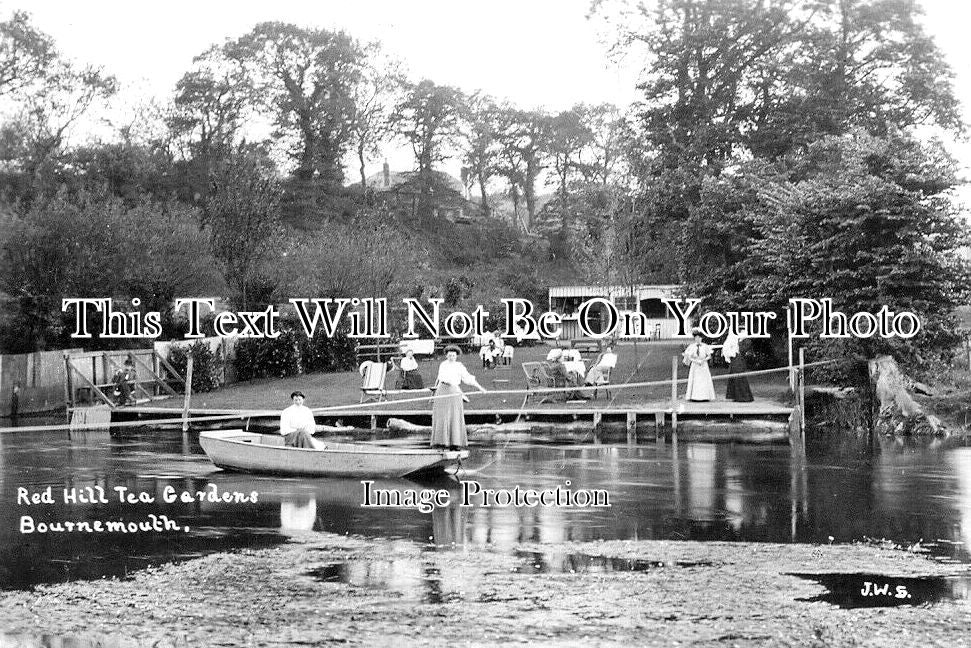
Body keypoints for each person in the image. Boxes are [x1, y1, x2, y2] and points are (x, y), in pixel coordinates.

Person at [431, 345, 486, 449]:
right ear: (446, 356)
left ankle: (455, 443)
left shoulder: (459, 366)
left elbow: (468, 378)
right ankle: (440, 442)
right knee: (442, 416)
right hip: (443, 391)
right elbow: (442, 378)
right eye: (449, 355)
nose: (451, 357)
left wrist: (480, 388)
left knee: (455, 416)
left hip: (454, 392)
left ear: (456, 356)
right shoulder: (443, 365)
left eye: (453, 355)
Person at [682, 329, 715, 402]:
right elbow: (689, 357)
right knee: (696, 380)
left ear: (701, 338)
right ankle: (694, 396)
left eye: (699, 338)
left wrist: (703, 360)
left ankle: (705, 396)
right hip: (695, 365)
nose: (698, 339)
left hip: (703, 365)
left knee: (703, 380)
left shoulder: (705, 346)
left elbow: (709, 356)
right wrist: (696, 361)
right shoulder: (692, 346)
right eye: (696, 338)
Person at [723, 327, 754, 402]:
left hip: (740, 361)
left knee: (739, 377)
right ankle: (733, 396)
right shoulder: (737, 340)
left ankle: (743, 397)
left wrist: (738, 343)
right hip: (735, 360)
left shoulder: (747, 341)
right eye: (741, 332)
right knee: (733, 376)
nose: (741, 333)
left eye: (743, 332)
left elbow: (742, 350)